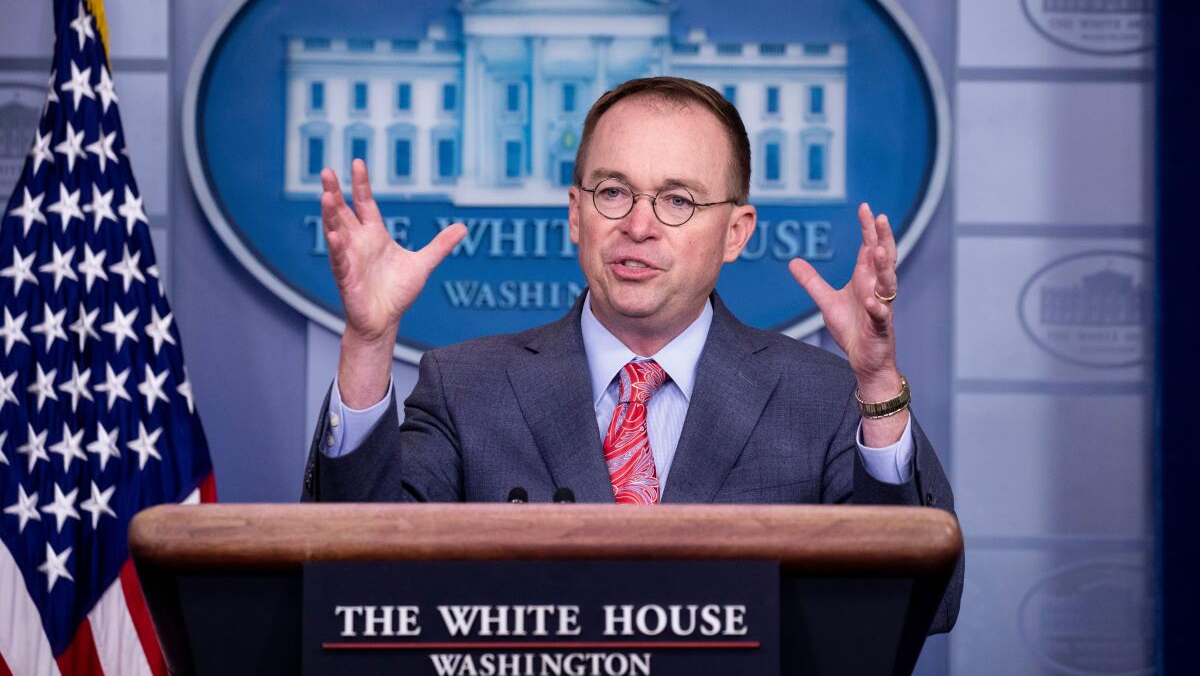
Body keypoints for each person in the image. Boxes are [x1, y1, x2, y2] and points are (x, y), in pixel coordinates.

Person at [301, 76, 961, 632]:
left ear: (736, 232)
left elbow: (921, 604)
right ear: (575, 215)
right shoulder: (468, 386)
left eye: (677, 199)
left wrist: (876, 385)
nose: (638, 226)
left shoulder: (821, 398)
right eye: (613, 191)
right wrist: (368, 342)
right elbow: (353, 579)